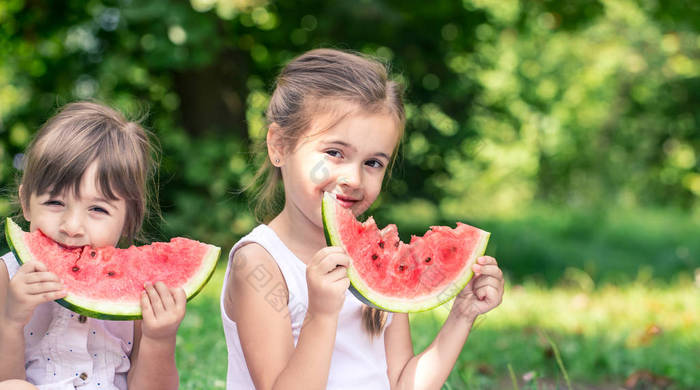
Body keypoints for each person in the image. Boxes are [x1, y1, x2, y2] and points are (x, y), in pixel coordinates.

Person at [220, 48, 505, 389]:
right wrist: (322, 315)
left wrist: (462, 315)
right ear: (279, 146)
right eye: (334, 153)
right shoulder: (259, 263)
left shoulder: (382, 261)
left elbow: (402, 383)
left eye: (373, 163)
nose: (353, 179)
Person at [0, 102, 185, 390]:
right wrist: (10, 321)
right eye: (54, 202)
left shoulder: (139, 292)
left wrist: (159, 338)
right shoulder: (6, 275)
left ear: (128, 219)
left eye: (97, 209)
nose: (72, 227)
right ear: (25, 202)